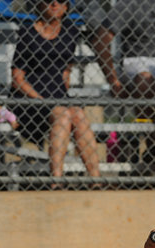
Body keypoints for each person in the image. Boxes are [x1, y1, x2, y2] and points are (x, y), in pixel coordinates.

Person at [10, 0, 100, 180]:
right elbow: (17, 80)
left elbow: (66, 73)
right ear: (39, 5)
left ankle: (95, 179)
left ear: (66, 7)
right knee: (63, 115)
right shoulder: (27, 33)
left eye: (60, 1)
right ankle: (56, 180)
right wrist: (41, 101)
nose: (54, 4)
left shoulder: (70, 32)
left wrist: (60, 99)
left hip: (58, 96)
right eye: (48, 1)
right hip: (29, 100)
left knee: (78, 115)